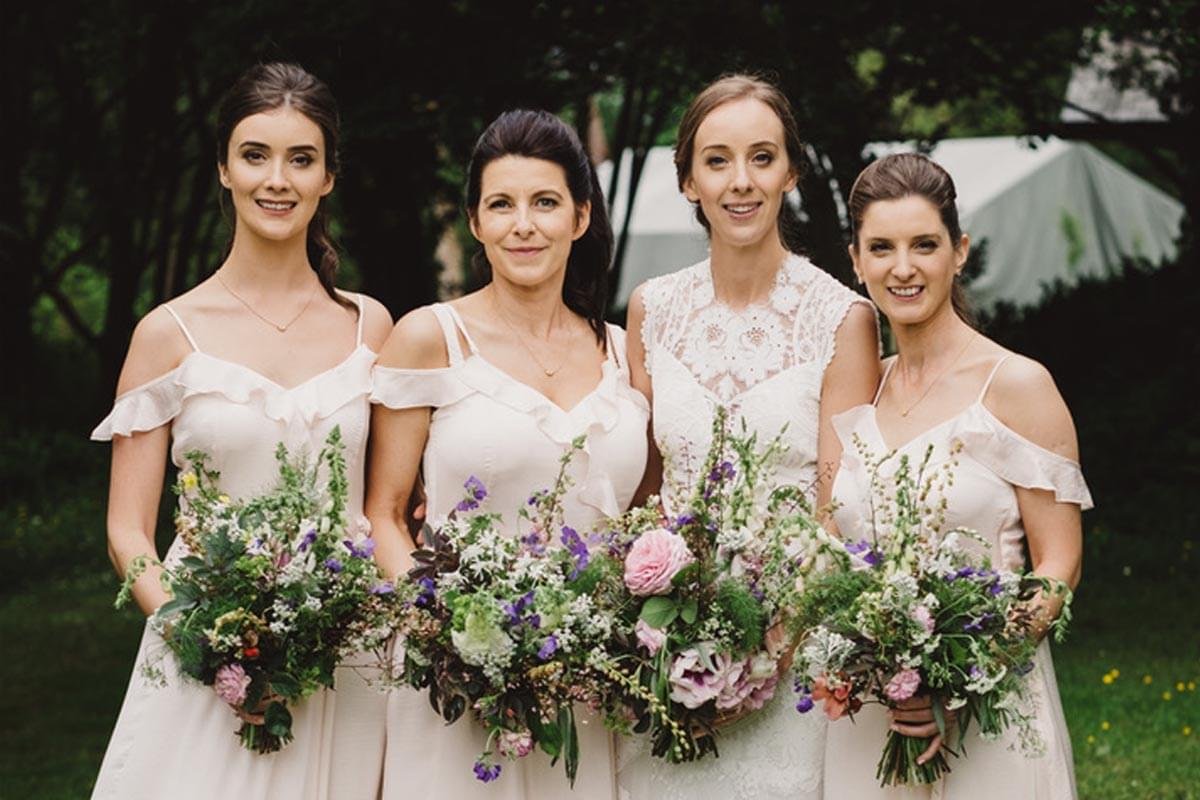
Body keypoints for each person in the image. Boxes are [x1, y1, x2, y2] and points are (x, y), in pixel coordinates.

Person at [89, 63, 392, 800]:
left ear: (328, 176)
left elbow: (389, 506)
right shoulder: (168, 334)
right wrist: (205, 643)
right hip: (207, 660)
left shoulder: (371, 327)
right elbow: (128, 531)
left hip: (346, 662)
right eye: (255, 155)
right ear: (223, 169)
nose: (276, 179)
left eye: (301, 158)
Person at [367, 108, 648, 799]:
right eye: (502, 204)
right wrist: (453, 631)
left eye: (545, 203)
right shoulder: (430, 337)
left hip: (589, 692)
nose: (524, 224)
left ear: (580, 219)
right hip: (462, 686)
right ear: (476, 222)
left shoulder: (624, 354)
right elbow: (382, 515)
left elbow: (646, 515)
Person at [616, 74, 880, 800]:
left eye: (762, 158)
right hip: (669, 647)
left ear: (791, 171)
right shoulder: (653, 309)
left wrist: (761, 654)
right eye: (717, 160)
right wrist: (667, 638)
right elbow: (641, 490)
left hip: (792, 656)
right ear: (688, 179)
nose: (741, 182)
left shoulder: (842, 318)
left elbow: (840, 508)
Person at [825, 152, 1089, 799]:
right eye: (881, 248)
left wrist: (965, 678)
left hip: (989, 710)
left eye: (925, 244)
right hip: (872, 715)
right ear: (856, 260)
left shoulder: (1018, 385)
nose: (904, 268)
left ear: (959, 250)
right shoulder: (861, 391)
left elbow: (1059, 562)